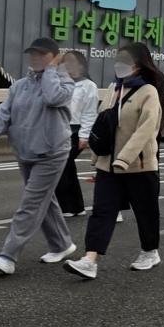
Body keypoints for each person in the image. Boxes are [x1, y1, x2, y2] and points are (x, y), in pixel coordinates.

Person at [0, 37, 76, 275]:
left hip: (52, 152)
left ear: (54, 58)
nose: (35, 58)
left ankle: (8, 256)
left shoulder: (65, 83)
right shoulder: (19, 86)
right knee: (43, 200)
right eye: (33, 54)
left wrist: (52, 70)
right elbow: (3, 115)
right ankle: (62, 244)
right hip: (25, 151)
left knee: (30, 204)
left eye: (42, 54)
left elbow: (52, 97)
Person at [64, 42, 164, 279]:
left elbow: (146, 130)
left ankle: (150, 251)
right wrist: (97, 158)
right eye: (118, 60)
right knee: (102, 211)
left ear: (138, 64)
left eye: (126, 61)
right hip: (108, 166)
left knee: (145, 212)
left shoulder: (148, 91)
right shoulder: (113, 89)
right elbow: (103, 124)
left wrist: (124, 159)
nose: (120, 65)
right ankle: (90, 260)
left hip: (139, 166)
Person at [56, 50, 99, 218]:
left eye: (71, 61)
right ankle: (76, 206)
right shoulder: (60, 82)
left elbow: (89, 112)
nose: (67, 65)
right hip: (59, 129)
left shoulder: (88, 86)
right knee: (67, 167)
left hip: (76, 130)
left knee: (63, 164)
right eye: (64, 62)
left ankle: (67, 206)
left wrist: (84, 136)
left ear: (81, 65)